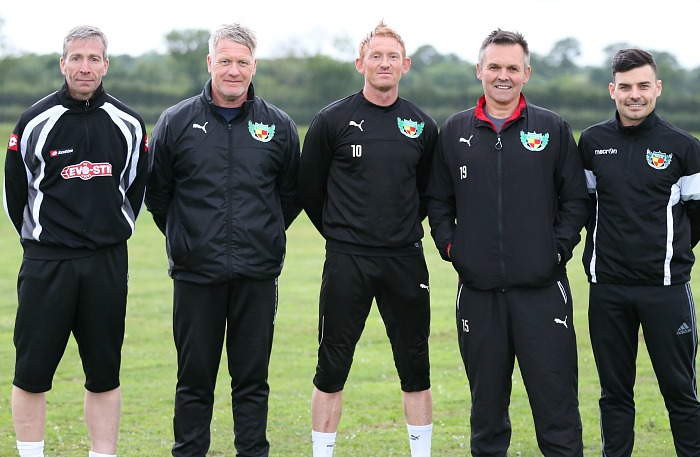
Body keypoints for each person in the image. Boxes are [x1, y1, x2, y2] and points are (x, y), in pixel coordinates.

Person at [426, 29, 589, 456]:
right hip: (479, 296)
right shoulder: (455, 131)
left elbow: (576, 200)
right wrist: (452, 248)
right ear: (479, 70)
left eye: (512, 68)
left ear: (526, 73)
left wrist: (556, 249)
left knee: (557, 415)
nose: (503, 76)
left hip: (542, 295)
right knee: (487, 417)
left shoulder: (552, 128)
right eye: (494, 67)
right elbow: (438, 201)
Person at [145, 23, 301, 457]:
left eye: (243, 62)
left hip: (257, 274)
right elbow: (158, 195)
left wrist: (260, 235)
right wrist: (190, 239)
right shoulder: (176, 122)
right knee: (194, 381)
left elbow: (289, 197)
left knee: (251, 381)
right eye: (226, 61)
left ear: (254, 66)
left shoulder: (279, 126)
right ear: (211, 62)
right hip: (197, 275)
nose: (234, 70)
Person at [3, 25, 148, 457]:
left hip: (105, 262)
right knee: (31, 373)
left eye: (94, 59)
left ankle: (102, 453)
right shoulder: (34, 122)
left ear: (106, 64)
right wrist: (45, 244)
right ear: (62, 63)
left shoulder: (128, 124)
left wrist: (106, 235)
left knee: (104, 373)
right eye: (76, 58)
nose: (85, 67)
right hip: (47, 263)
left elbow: (134, 192)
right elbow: (16, 198)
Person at [299, 20, 437, 457]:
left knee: (415, 364)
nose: (383, 63)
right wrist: (344, 232)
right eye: (375, 56)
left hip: (404, 259)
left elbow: (428, 194)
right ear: (361, 63)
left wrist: (395, 230)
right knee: (332, 364)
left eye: (391, 56)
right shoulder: (332, 120)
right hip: (347, 261)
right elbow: (310, 191)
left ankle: (421, 452)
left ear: (405, 65)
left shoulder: (421, 124)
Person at [578, 48, 700, 456]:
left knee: (681, 393)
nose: (635, 94)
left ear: (657, 89)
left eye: (643, 86)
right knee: (614, 394)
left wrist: (668, 254)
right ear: (612, 90)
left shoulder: (684, 147)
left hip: (665, 289)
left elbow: (696, 217)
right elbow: (585, 207)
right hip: (608, 290)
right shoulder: (592, 142)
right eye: (626, 86)